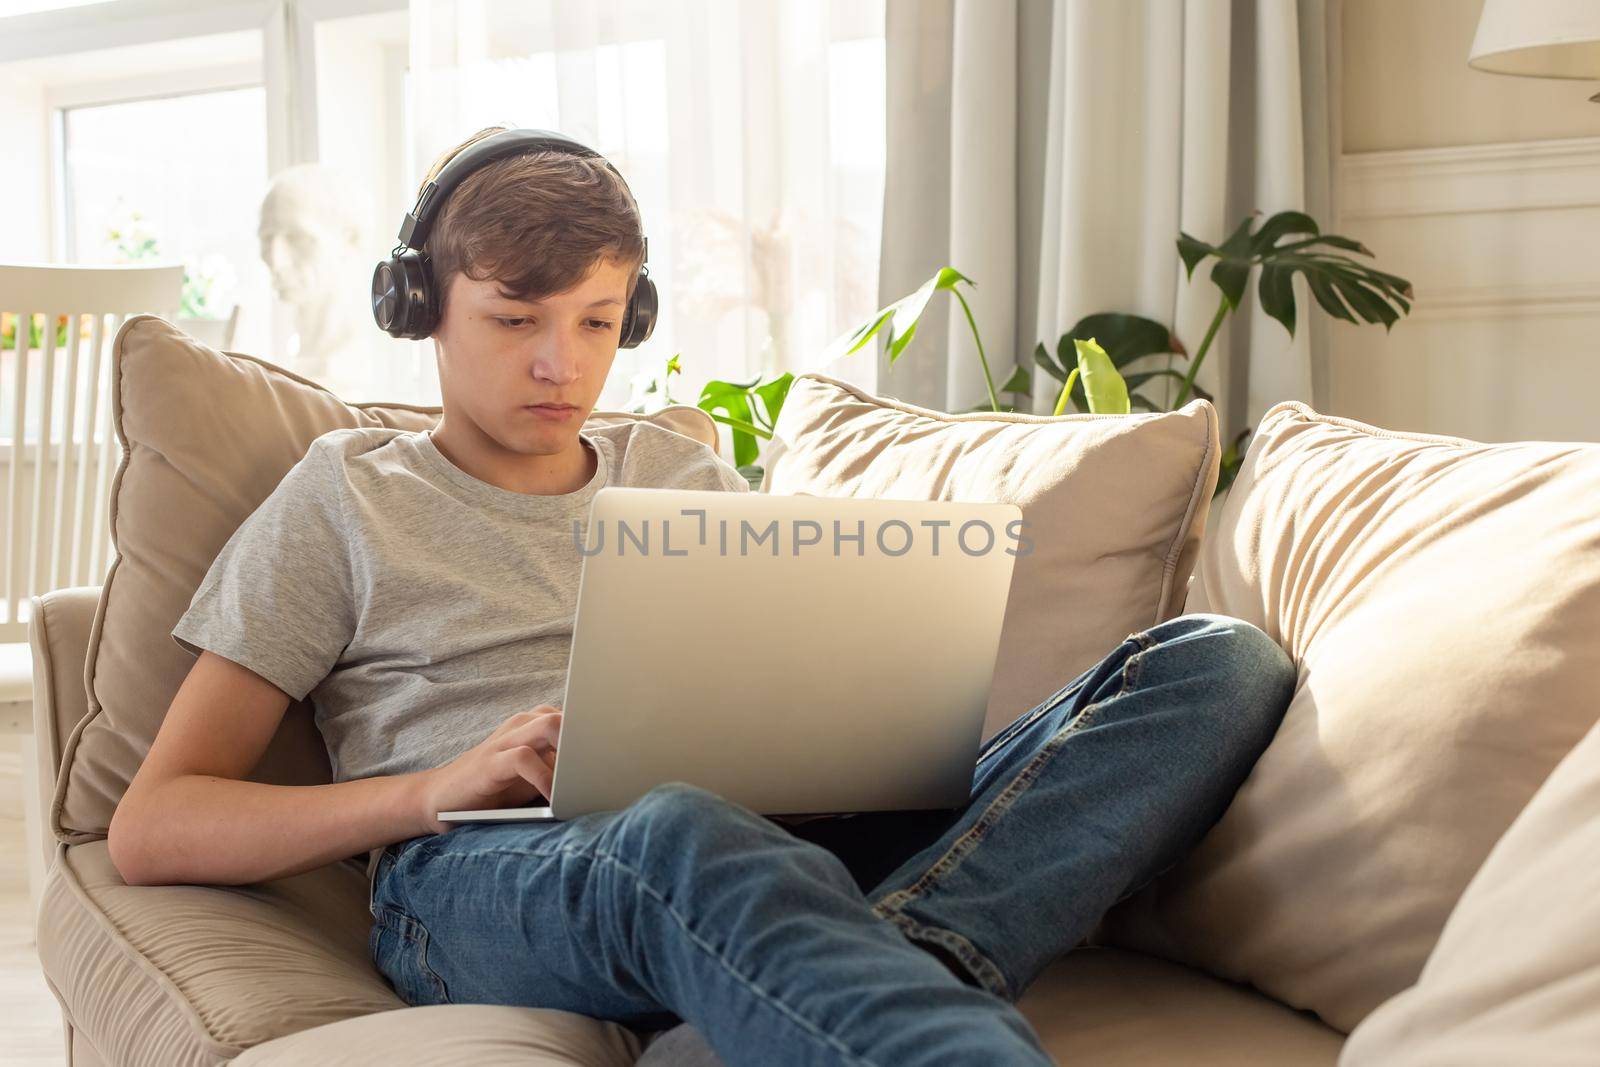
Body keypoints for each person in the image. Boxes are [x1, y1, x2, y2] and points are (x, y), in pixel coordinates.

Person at [108, 125, 1299, 1067]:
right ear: (420, 306)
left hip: (762, 840)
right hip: (483, 873)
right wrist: (432, 789)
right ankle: (858, 987)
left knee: (1211, 662)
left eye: (596, 321)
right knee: (679, 827)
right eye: (514, 319)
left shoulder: (674, 467)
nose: (559, 364)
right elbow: (157, 822)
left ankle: (830, 973)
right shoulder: (344, 495)